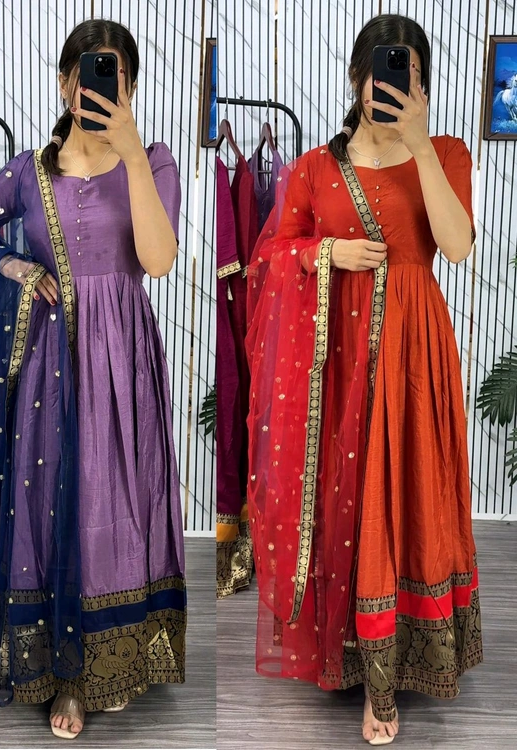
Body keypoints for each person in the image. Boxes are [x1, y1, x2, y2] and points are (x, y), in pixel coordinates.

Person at [0, 19, 186, 740]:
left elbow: (159, 261)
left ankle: (116, 661)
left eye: (114, 76)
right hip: (49, 361)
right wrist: (12, 264)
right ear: (63, 83)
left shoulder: (155, 162)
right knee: (52, 503)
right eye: (86, 74)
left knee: (116, 502)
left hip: (122, 361)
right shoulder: (29, 172)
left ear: (130, 87)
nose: (98, 89)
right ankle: (64, 675)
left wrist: (130, 151)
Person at [245, 14, 482, 746]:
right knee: (345, 497)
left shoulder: (447, 152)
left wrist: (420, 145)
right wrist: (326, 254)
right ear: (357, 78)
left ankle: (397, 667)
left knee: (410, 492)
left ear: (424, 84)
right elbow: (269, 256)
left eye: (409, 74)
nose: (393, 86)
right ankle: (350, 655)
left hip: (415, 358)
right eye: (382, 72)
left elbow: (458, 247)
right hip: (336, 362)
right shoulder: (316, 167)